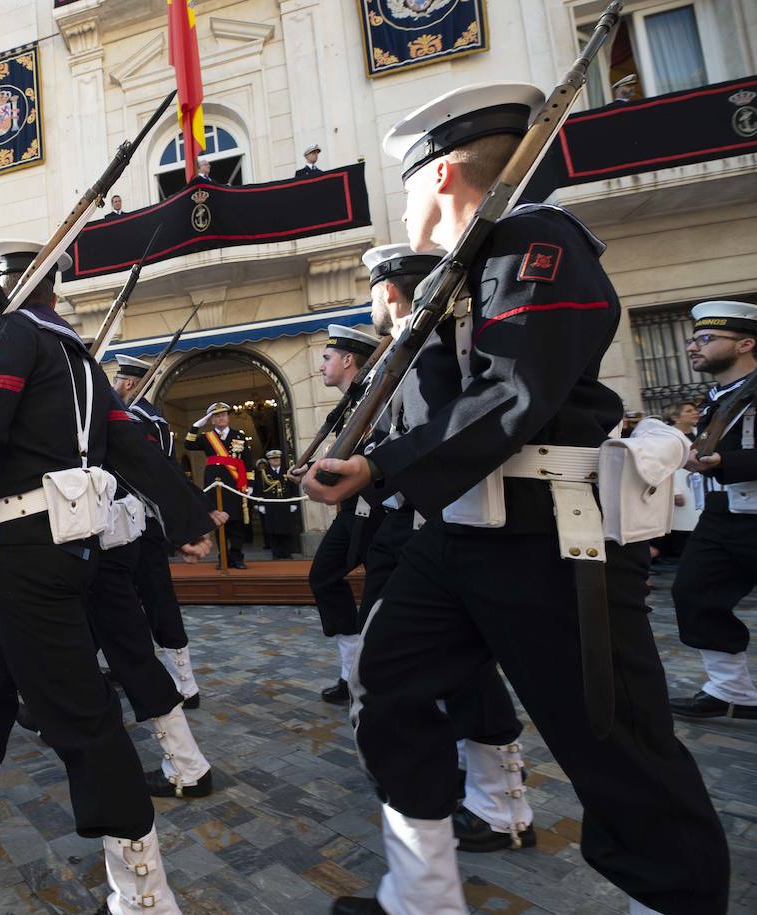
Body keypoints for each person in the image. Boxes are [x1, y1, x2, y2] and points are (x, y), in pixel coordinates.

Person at [303, 82, 728, 915]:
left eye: (407, 186)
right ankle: (423, 892)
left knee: (616, 743)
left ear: (441, 174)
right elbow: (444, 398)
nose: (404, 207)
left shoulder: (539, 239)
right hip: (458, 532)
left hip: (549, 534)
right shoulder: (465, 270)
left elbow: (512, 391)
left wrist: (380, 467)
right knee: (388, 686)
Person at [0, 239, 216, 912]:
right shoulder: (76, 355)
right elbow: (127, 443)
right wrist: (185, 516)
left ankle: (144, 894)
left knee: (83, 720)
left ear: (2, 286)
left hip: (20, 550)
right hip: (52, 547)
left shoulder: (10, 332)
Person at [352, 243, 539, 856]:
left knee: (454, 668)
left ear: (388, 292)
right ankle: (484, 796)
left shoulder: (429, 345)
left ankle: (498, 800)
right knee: (425, 666)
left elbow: (438, 434)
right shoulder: (407, 349)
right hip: (410, 519)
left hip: (436, 520)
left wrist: (373, 470)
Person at [668, 300, 757, 721]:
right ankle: (732, 691)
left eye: (705, 338)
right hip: (722, 513)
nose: (692, 347)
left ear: (745, 344)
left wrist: (724, 462)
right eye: (692, 339)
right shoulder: (716, 398)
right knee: (694, 594)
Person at [116, 355, 204, 707]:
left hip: (135, 523)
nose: (113, 385)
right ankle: (178, 680)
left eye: (117, 379)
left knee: (154, 599)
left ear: (129, 384)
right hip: (136, 523)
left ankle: (183, 683)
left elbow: (152, 473)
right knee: (141, 599)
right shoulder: (154, 419)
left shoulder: (135, 420)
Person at [306, 324, 385, 704]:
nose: (321, 365)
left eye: (327, 358)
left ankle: (372, 678)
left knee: (380, 599)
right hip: (354, 509)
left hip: (383, 510)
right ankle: (351, 671)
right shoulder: (351, 406)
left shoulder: (379, 400)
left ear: (349, 359)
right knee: (323, 577)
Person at [185, 403, 252, 568]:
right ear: (211, 420)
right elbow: (188, 445)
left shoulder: (239, 436)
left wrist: (250, 484)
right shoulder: (207, 437)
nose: (220, 418)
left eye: (223, 415)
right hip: (214, 484)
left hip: (235, 483)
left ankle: (237, 557)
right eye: (216, 416)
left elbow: (247, 461)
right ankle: (223, 558)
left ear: (228, 417)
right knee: (218, 521)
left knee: (236, 522)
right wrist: (195, 426)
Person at [661, 401, 701, 559]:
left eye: (695, 410)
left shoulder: (701, 433)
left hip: (700, 485)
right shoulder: (668, 437)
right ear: (676, 417)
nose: (695, 412)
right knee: (684, 525)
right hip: (680, 485)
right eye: (689, 411)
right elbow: (664, 465)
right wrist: (674, 491)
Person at [254, 450, 300, 559]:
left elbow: (294, 487)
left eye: (277, 458)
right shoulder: (263, 473)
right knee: (273, 530)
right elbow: (259, 489)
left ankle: (287, 553)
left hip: (285, 504)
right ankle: (276, 553)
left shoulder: (287, 471)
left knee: (287, 529)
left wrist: (294, 502)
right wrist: (259, 504)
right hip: (271, 505)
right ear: (269, 461)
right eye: (273, 459)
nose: (275, 460)